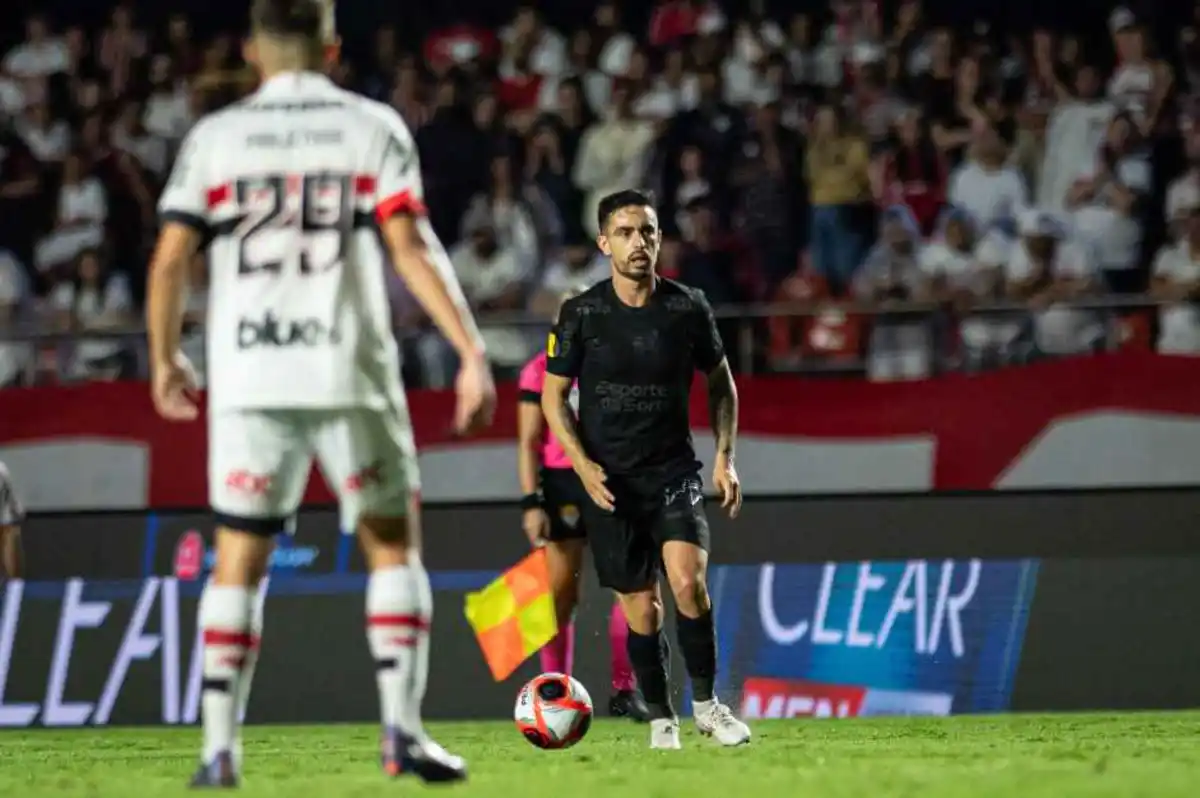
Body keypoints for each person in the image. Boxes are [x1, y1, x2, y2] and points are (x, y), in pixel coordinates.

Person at [144, 0, 495, 787]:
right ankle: (401, 735)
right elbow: (409, 244)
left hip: (249, 374)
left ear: (251, 52)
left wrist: (166, 358)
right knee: (390, 544)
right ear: (333, 48)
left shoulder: (216, 138)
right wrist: (470, 350)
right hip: (348, 370)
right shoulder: (370, 126)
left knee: (238, 558)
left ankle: (217, 751)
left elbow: (170, 259)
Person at [540, 188, 751, 750]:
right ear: (604, 242)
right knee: (643, 608)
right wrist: (583, 466)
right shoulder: (580, 314)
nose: (640, 243)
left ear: (660, 240)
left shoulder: (688, 307)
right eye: (628, 233)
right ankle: (662, 718)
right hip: (609, 484)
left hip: (674, 474)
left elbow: (721, 382)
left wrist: (726, 456)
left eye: (649, 232)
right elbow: (552, 397)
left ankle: (708, 705)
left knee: (689, 583)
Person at [516, 288, 650, 723]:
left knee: (630, 587)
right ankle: (553, 693)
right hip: (561, 483)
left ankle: (625, 690)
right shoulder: (539, 370)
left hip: (614, 479)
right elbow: (528, 441)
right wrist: (530, 502)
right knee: (558, 593)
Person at [0, 461, 24, 579]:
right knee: (7, 554)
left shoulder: (1, 468)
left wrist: (16, 509)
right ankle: (10, 586)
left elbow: (10, 492)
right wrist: (17, 509)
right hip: (5, 520)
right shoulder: (2, 467)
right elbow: (11, 493)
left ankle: (10, 586)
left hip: (4, 520)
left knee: (6, 555)